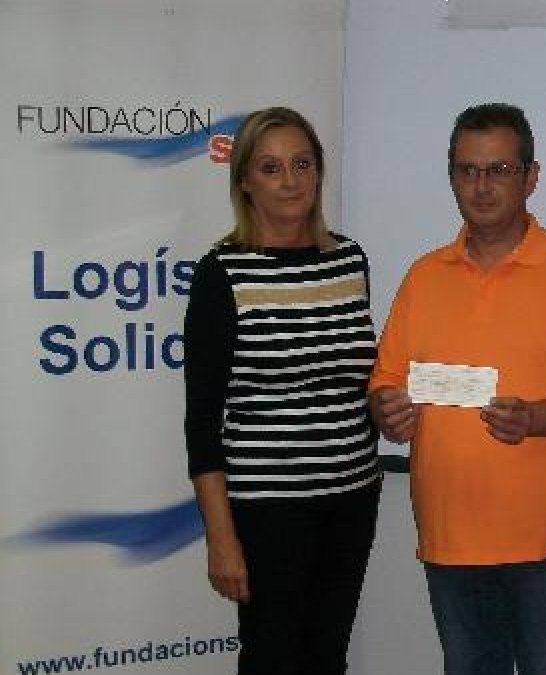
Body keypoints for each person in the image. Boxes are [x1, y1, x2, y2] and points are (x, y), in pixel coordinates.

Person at [368, 102, 546, 675]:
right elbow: (385, 383)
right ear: (451, 174)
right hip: (450, 539)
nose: (481, 186)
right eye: (467, 170)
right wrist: (388, 412)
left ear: (530, 177)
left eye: (499, 170)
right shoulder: (422, 276)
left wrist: (536, 419)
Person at [183, 106, 381, 675]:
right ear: (244, 180)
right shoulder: (222, 273)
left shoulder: (348, 261)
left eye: (301, 163)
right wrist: (221, 536)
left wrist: (391, 403)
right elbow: (202, 421)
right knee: (272, 659)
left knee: (326, 657)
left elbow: (355, 379)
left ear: (318, 172)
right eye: (271, 168)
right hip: (267, 509)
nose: (290, 180)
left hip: (352, 495)